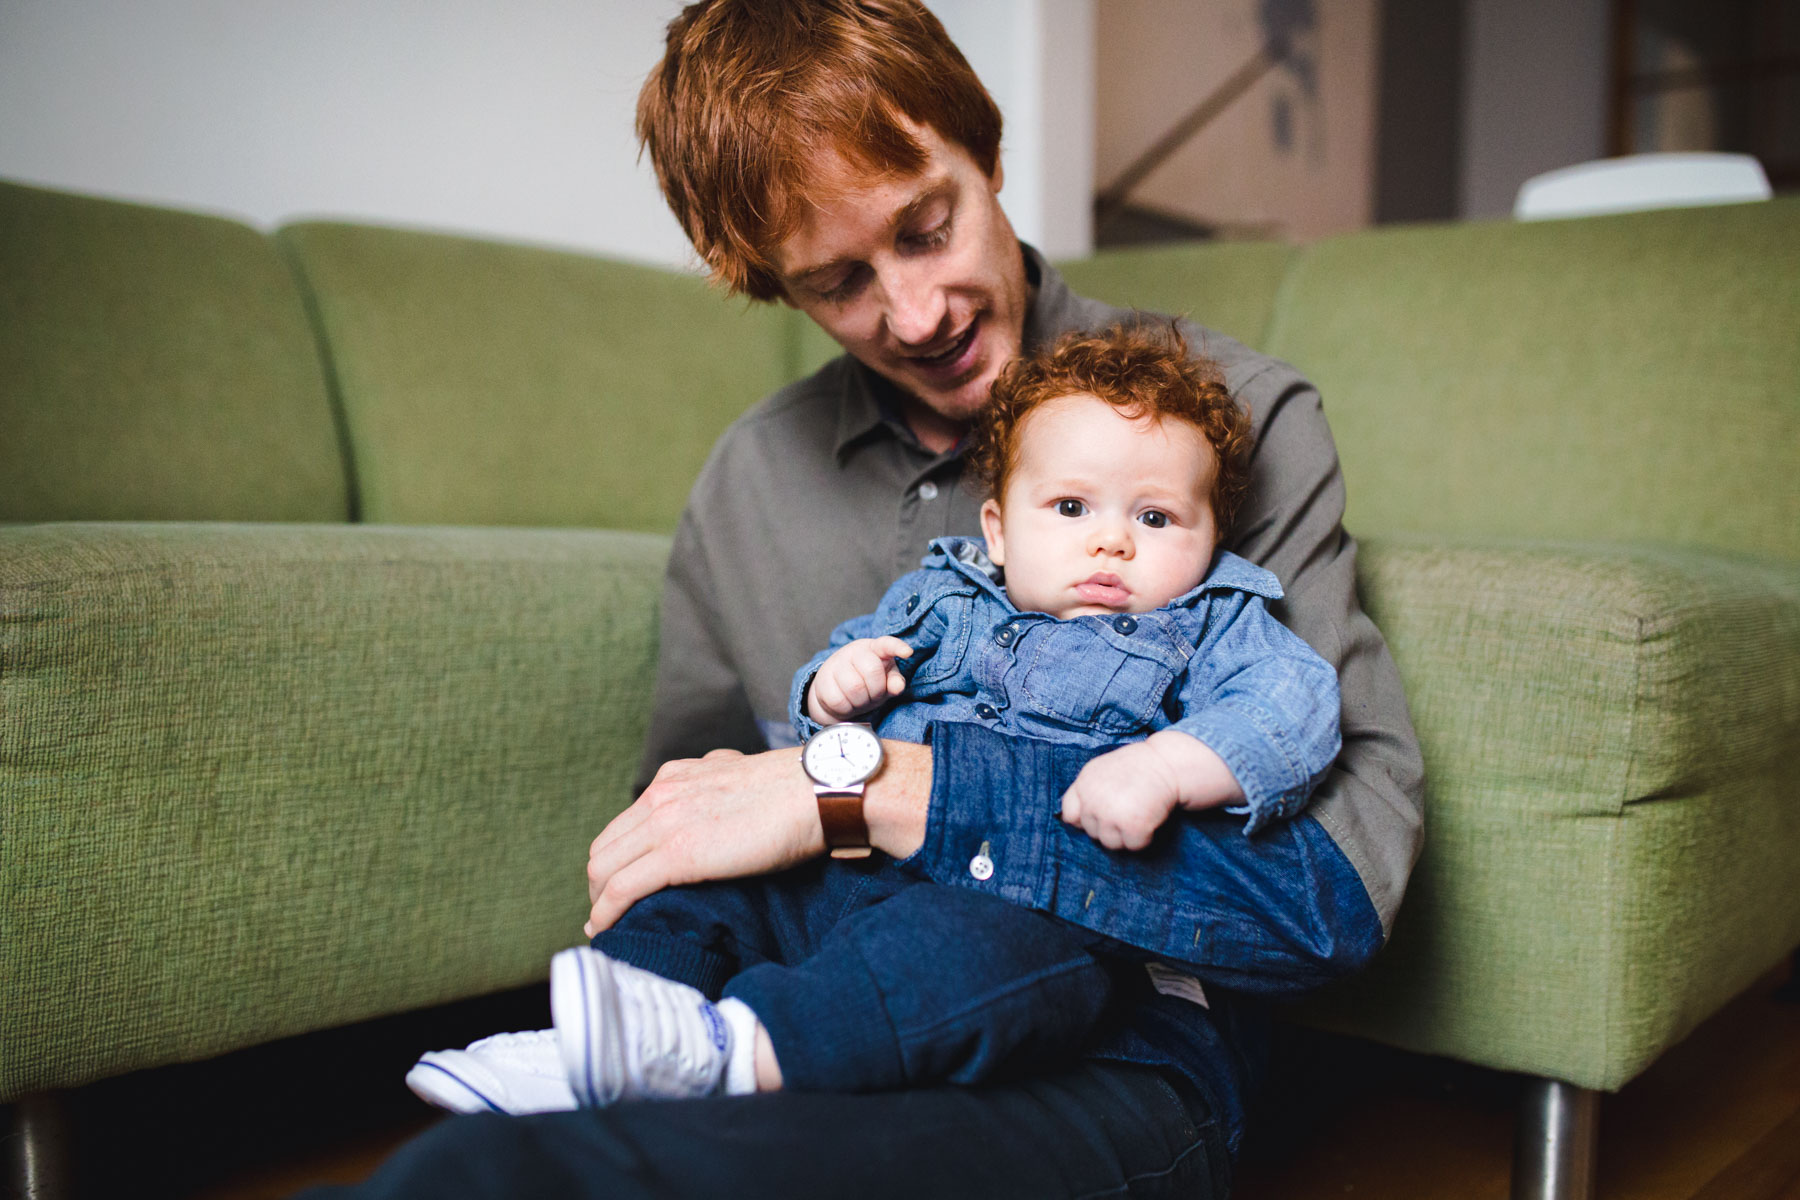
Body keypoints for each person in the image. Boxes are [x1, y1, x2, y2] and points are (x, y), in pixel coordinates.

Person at [302, 2, 1423, 1196]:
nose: (914, 315)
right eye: (839, 283)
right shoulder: (752, 480)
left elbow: (1324, 907)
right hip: (787, 1008)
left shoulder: (1230, 428)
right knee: (483, 1169)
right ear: (775, 291)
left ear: (986, 152)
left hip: (1119, 1040)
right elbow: (692, 822)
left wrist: (868, 789)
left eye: (927, 230)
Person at [404, 324, 1343, 1114]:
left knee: (975, 964)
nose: (1111, 540)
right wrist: (833, 685)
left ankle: (740, 1051)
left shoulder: (1212, 622)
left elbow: (1290, 709)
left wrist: (1173, 765)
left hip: (1006, 899)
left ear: (1212, 539)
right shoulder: (942, 598)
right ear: (999, 530)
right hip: (845, 866)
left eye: (1157, 519)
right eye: (1070, 507)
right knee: (703, 892)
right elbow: (837, 676)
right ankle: (606, 1036)